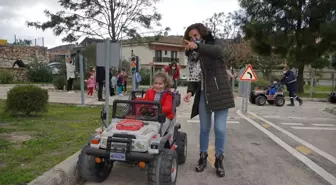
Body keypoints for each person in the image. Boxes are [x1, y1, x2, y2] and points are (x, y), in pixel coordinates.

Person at [183, 23, 235, 178]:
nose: (193, 38)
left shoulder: (213, 44)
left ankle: (219, 159)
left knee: (220, 129)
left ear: (202, 33)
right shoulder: (193, 55)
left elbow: (217, 51)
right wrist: (190, 92)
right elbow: (195, 77)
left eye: (196, 35)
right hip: (204, 94)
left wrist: (198, 46)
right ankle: (203, 157)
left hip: (220, 93)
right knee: (204, 129)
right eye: (191, 37)